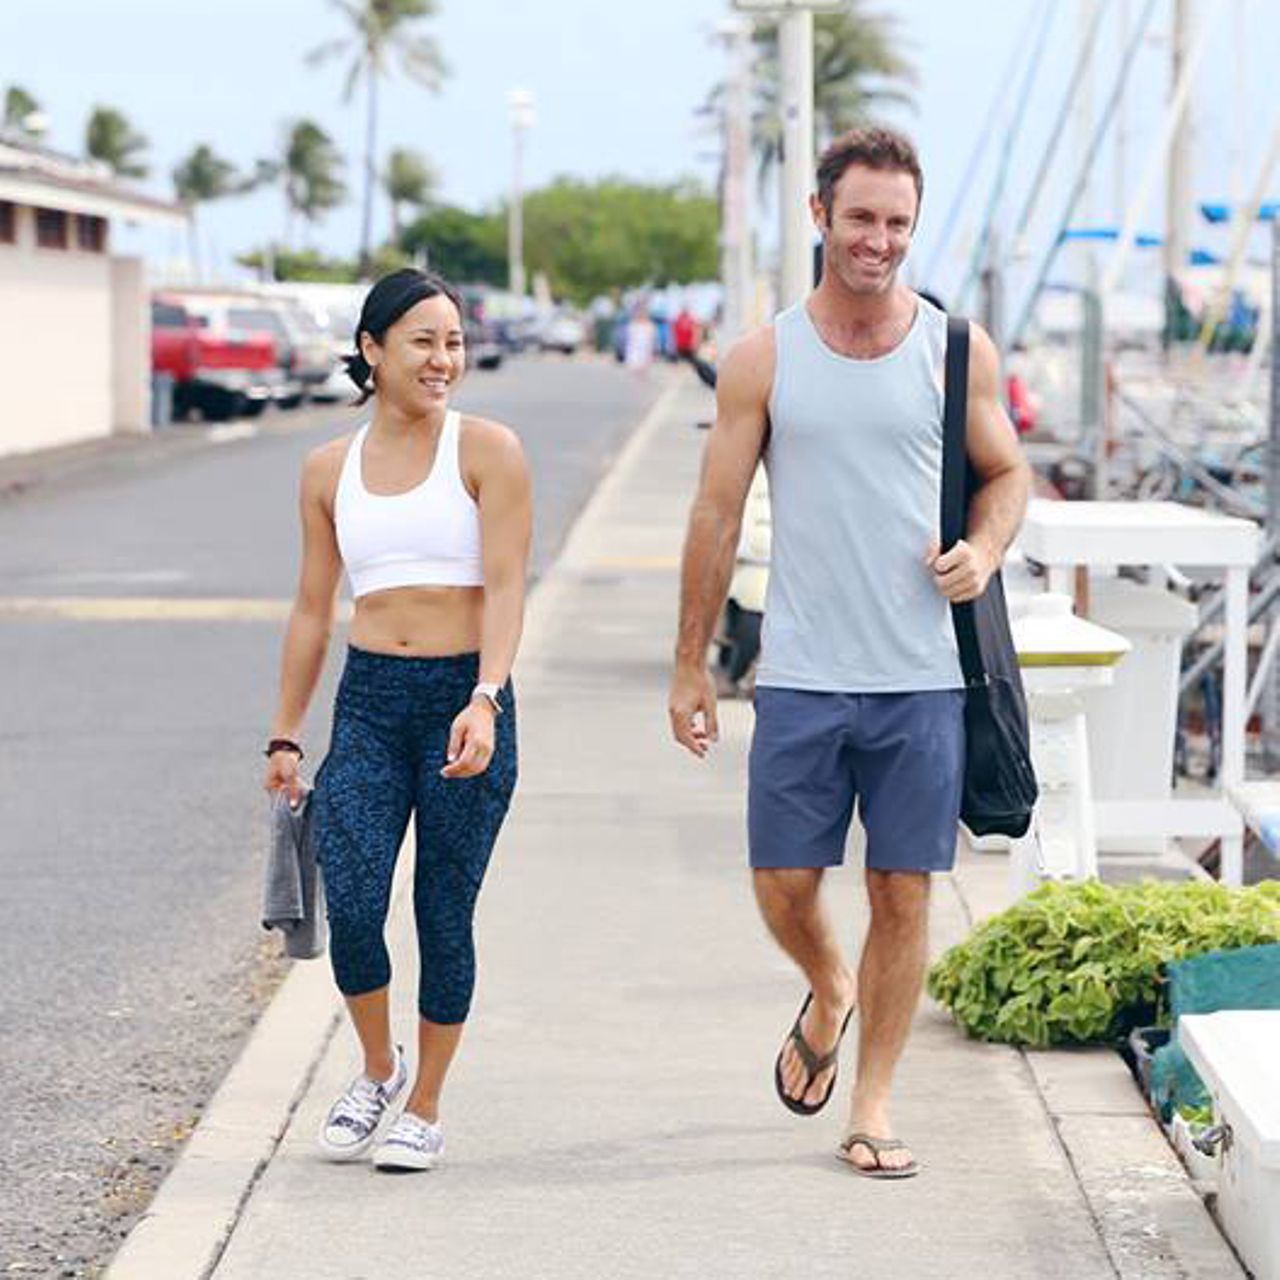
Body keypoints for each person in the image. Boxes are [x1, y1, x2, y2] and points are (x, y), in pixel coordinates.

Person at [668, 127, 1030, 1179]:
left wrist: (984, 547)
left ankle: (869, 1102)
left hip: (923, 677)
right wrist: (689, 661)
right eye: (861, 217)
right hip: (800, 670)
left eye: (897, 223)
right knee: (782, 881)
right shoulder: (763, 357)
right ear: (820, 216)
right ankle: (827, 984)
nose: (878, 240)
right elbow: (714, 510)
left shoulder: (955, 349)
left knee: (902, 891)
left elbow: (1004, 473)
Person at [263, 268, 532, 1173]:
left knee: (443, 910)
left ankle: (426, 1106)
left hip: (466, 704)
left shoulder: (488, 451)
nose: (442, 359)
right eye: (422, 340)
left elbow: (505, 588)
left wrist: (486, 697)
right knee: (357, 895)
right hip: (371, 705)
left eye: (453, 341)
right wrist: (286, 734)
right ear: (372, 350)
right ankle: (379, 1067)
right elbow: (311, 609)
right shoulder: (326, 471)